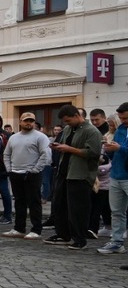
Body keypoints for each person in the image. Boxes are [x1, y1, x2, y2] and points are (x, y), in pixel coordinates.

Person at [44, 105, 105, 250]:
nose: (67, 123)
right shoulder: (68, 129)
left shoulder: (91, 131)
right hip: (64, 172)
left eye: (69, 120)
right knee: (60, 205)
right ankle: (63, 234)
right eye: (65, 121)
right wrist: (59, 146)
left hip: (80, 174)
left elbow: (94, 153)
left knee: (77, 209)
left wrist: (69, 149)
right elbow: (67, 145)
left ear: (78, 116)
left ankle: (79, 239)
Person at [2, 112, 51, 240]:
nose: (28, 123)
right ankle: (19, 228)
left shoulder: (40, 137)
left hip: (32, 174)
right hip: (15, 173)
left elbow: (45, 154)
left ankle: (36, 229)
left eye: (31, 121)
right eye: (26, 121)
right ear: (20, 122)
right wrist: (9, 169)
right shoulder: (14, 137)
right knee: (19, 201)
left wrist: (35, 170)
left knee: (34, 202)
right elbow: (6, 154)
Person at [97, 102, 128, 255]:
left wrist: (119, 148)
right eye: (121, 118)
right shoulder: (121, 129)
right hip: (116, 174)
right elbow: (116, 154)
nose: (123, 121)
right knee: (116, 212)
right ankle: (117, 242)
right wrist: (109, 150)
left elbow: (121, 149)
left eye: (126, 118)